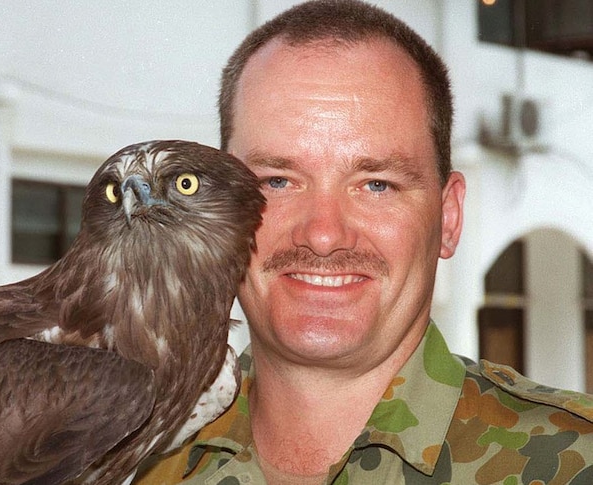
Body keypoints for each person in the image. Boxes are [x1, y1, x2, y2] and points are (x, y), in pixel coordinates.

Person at [134, 1, 593, 484]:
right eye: (276, 181)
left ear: (449, 217)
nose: (324, 234)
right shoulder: (151, 463)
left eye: (376, 184)